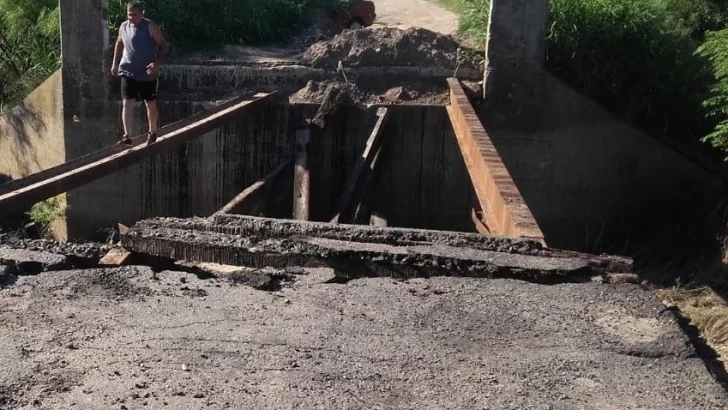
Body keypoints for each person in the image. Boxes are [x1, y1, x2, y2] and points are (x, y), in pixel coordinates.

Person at [110, 2, 169, 146]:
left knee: (150, 103)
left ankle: (153, 132)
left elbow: (163, 45)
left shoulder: (150, 26)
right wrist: (115, 64)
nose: (131, 17)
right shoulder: (123, 27)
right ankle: (127, 136)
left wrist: (157, 63)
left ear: (142, 13)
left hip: (147, 72)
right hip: (128, 71)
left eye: (134, 15)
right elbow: (119, 44)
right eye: (129, 14)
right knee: (127, 102)